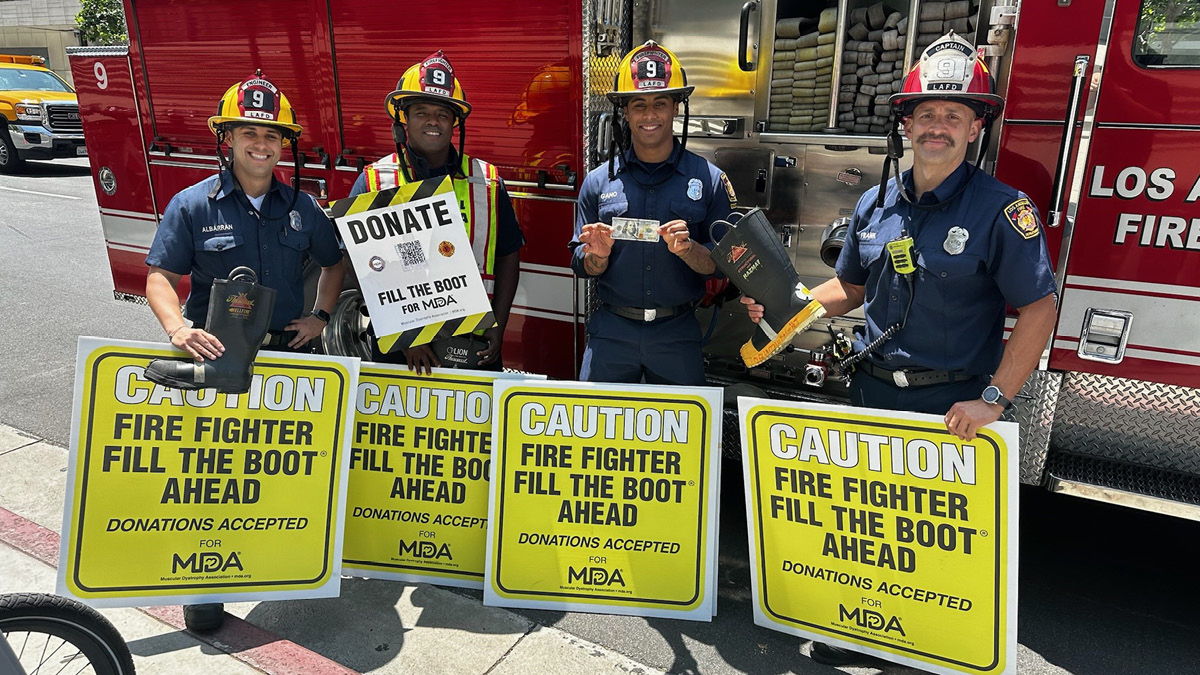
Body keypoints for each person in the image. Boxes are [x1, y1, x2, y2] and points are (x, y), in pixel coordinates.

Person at [742, 32, 1057, 665]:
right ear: (906, 125)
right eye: (926, 114)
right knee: (861, 530)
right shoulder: (874, 202)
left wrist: (994, 399)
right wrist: (791, 304)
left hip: (949, 408)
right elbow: (851, 288)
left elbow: (1040, 309)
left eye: (953, 115)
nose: (937, 126)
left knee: (928, 542)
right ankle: (853, 627)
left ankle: (912, 647)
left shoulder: (1003, 211)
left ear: (975, 129)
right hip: (870, 392)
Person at [144, 71, 345, 632]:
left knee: (282, 469)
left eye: (272, 135)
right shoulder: (191, 206)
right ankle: (205, 591)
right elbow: (159, 275)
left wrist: (322, 316)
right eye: (249, 132)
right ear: (226, 138)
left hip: (288, 359)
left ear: (284, 145)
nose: (262, 144)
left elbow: (335, 263)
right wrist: (177, 329)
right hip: (218, 360)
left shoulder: (303, 207)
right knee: (216, 476)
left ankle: (278, 565)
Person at [570, 40, 738, 385]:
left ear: (676, 108)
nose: (649, 115)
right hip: (611, 335)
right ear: (625, 112)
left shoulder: (709, 180)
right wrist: (596, 258)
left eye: (660, 103)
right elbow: (580, 264)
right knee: (598, 432)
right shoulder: (598, 183)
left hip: (677, 335)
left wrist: (691, 251)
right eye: (639, 105)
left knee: (685, 436)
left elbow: (721, 267)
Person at [347, 50, 524, 374]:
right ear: (405, 119)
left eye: (442, 114)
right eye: (421, 112)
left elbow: (508, 256)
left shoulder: (485, 181)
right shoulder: (374, 181)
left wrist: (498, 324)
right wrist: (407, 335)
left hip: (473, 343)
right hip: (401, 349)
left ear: (455, 121)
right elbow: (360, 268)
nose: (432, 121)